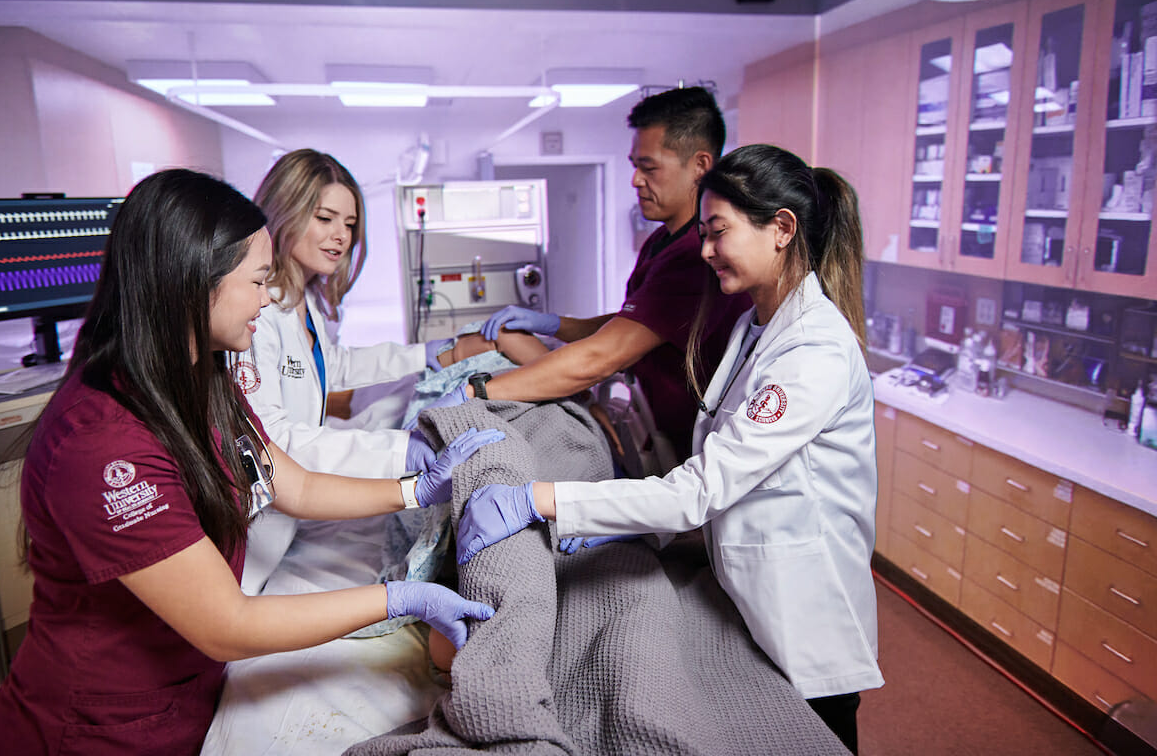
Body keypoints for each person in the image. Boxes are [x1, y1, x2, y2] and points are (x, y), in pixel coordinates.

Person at [0, 169, 499, 756]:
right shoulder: (103, 446)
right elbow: (229, 625)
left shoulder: (206, 375)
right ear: (194, 284)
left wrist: (415, 490)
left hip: (186, 698)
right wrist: (402, 600)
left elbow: (287, 481)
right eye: (256, 281)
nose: (270, 298)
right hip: (96, 727)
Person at [454, 144, 883, 755]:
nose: (705, 250)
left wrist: (543, 499)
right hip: (747, 592)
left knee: (814, 739)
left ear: (782, 228)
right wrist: (634, 533)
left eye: (718, 232)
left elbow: (701, 490)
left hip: (803, 615)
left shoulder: (813, 353)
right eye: (704, 233)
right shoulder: (754, 327)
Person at [232, 149, 506, 592]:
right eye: (325, 218)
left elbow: (329, 366)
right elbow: (276, 442)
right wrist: (405, 453)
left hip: (292, 518)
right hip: (257, 539)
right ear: (285, 212)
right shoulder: (257, 313)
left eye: (350, 224)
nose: (340, 236)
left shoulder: (306, 299)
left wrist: (427, 356)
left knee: (394, 401)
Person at [472, 86, 751, 461]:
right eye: (634, 165)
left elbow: (602, 355)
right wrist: (555, 324)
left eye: (648, 167)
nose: (635, 180)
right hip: (650, 424)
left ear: (700, 166)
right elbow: (630, 326)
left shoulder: (694, 256)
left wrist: (478, 392)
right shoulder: (661, 242)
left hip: (690, 447)